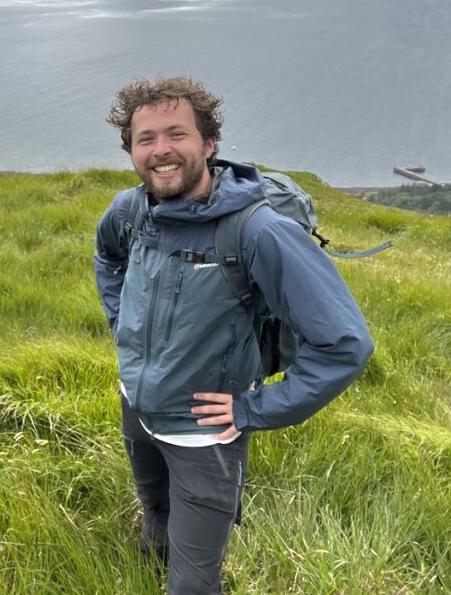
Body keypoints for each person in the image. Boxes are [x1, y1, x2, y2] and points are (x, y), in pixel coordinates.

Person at [93, 76, 373, 595]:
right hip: (136, 402)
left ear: (209, 143)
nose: (161, 151)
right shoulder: (129, 211)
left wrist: (252, 410)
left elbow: (345, 344)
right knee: (154, 512)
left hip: (205, 434)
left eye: (176, 134)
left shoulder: (258, 231)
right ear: (131, 149)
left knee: (194, 583)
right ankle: (149, 561)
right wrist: (124, 328)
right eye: (145, 139)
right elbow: (108, 258)